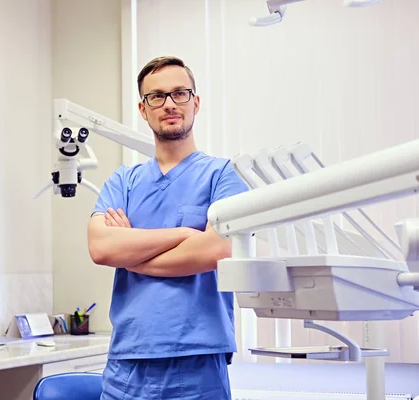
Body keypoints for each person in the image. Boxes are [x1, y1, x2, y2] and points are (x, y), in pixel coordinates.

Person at [87, 55, 249, 399]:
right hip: (127, 363)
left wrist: (130, 251)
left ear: (196, 102)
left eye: (179, 93)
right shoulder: (124, 181)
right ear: (143, 110)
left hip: (197, 361)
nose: (169, 104)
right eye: (156, 96)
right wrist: (184, 235)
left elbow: (217, 250)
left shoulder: (225, 176)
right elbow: (102, 248)